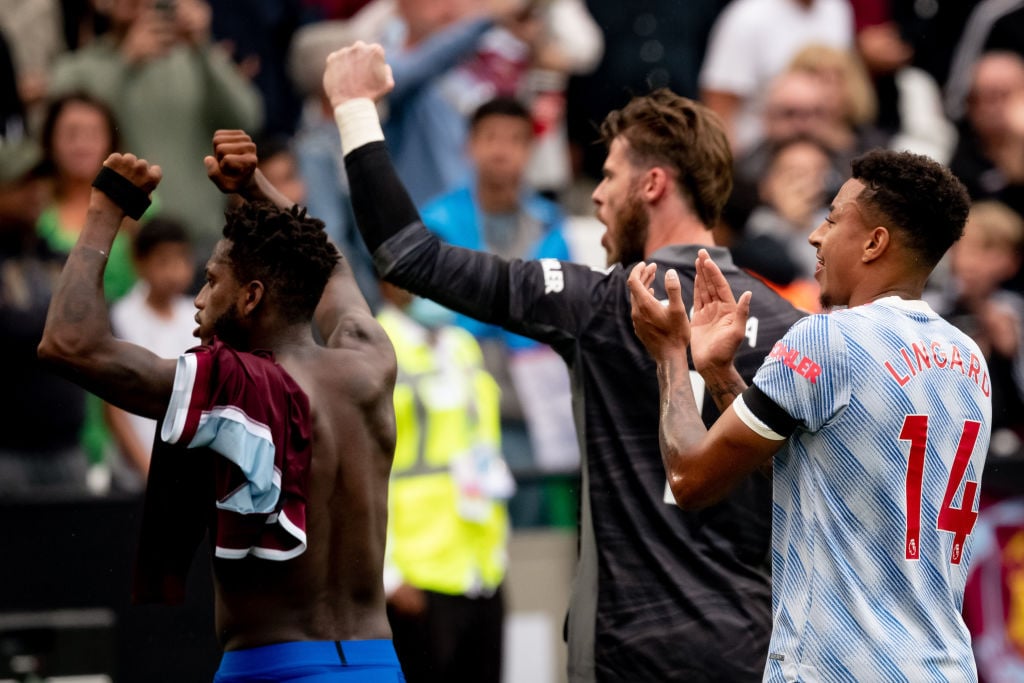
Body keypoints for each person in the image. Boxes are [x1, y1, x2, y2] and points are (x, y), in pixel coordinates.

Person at [325, 41, 806, 681]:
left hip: (628, 651)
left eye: (609, 176)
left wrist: (355, 107)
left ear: (652, 184)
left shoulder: (601, 304)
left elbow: (407, 255)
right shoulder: (794, 329)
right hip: (756, 648)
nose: (599, 199)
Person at [37, 130, 403, 680]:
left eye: (211, 281)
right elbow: (332, 268)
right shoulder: (370, 362)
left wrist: (105, 209)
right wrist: (255, 185)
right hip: (377, 665)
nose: (200, 300)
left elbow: (67, 345)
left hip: (273, 668)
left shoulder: (227, 382)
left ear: (252, 296)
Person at [627, 148, 990, 680]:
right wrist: (721, 373)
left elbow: (690, 478)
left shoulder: (830, 338)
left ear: (874, 242)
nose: (816, 237)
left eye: (833, 218)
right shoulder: (969, 358)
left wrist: (670, 356)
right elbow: (822, 470)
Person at [377, 280, 513, 682]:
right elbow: (362, 470)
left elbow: (485, 446)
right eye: (416, 277)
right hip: (417, 572)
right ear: (387, 285)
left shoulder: (462, 345)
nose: (430, 289)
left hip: (482, 565)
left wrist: (499, 547)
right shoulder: (374, 349)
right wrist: (388, 574)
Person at [0, 136, 89, 497]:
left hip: (67, 446)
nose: (36, 192)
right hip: (7, 452)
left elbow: (94, 328)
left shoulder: (59, 258)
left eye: (41, 181)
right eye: (23, 182)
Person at [104, 217, 198, 492]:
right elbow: (114, 407)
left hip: (186, 465)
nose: (174, 272)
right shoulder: (122, 316)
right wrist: (147, 469)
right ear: (139, 262)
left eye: (181, 260)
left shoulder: (196, 315)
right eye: (163, 261)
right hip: (137, 468)